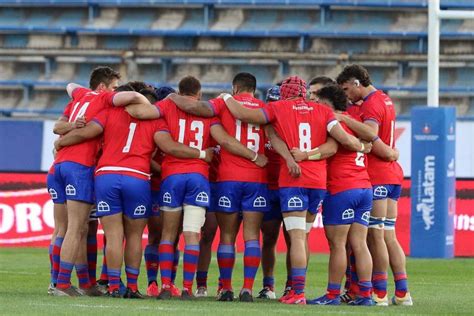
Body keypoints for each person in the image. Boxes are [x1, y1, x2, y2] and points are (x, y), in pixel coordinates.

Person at [218, 75, 366, 305]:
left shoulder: (278, 108)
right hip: (317, 182)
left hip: (293, 181)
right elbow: (337, 143)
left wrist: (227, 96)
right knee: (303, 237)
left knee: (295, 238)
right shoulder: (322, 110)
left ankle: (297, 292)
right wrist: (360, 145)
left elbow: (244, 115)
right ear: (304, 92)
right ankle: (298, 290)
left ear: (285, 92)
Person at [336, 64, 412, 306]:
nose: (346, 94)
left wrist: (344, 117)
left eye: (347, 88)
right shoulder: (385, 100)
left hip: (377, 175)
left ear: (357, 83)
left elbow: (371, 134)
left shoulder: (370, 104)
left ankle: (379, 292)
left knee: (374, 237)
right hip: (392, 177)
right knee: (388, 235)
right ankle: (402, 292)